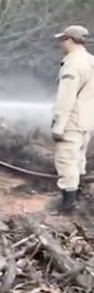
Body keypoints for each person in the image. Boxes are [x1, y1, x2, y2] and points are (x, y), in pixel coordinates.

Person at [51, 25, 94, 214]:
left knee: (66, 160)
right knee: (78, 159)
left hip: (72, 120)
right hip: (87, 121)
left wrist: (59, 125)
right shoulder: (90, 61)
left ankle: (68, 207)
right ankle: (78, 198)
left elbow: (66, 97)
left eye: (63, 39)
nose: (61, 43)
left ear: (69, 40)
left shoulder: (73, 64)